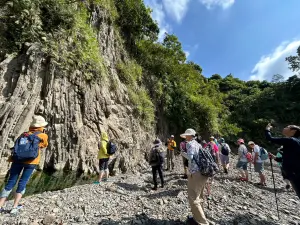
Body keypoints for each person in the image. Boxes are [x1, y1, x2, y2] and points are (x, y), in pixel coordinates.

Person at [0, 115, 48, 214]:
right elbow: (44, 145)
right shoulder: (42, 135)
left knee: (11, 182)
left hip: (17, 160)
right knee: (23, 182)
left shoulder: (24, 134)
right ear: (41, 126)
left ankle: (0, 205)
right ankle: (14, 207)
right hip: (31, 162)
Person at [181, 128, 210, 225]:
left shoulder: (190, 144)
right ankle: (197, 218)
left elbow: (191, 157)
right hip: (202, 173)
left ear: (190, 136)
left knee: (193, 198)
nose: (185, 137)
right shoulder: (198, 144)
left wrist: (182, 153)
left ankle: (202, 222)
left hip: (195, 173)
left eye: (186, 135)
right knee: (199, 197)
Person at [266, 124, 300, 198]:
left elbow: (270, 138)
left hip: (293, 172)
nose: (285, 128)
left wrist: (267, 129)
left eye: (288, 127)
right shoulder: (297, 142)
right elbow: (289, 158)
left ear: (293, 131)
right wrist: (274, 157)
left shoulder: (290, 140)